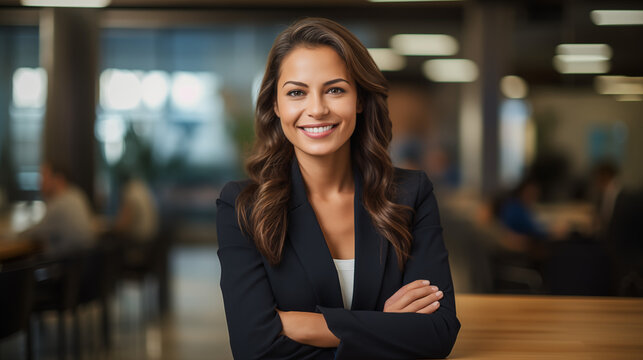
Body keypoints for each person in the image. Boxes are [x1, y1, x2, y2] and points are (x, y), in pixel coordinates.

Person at [216, 18, 459, 359]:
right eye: (296, 92)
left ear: (359, 98)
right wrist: (386, 326)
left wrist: (305, 326)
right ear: (276, 105)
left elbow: (439, 332)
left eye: (335, 89)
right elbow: (253, 346)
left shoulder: (410, 194)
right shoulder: (241, 206)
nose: (316, 109)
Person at [20, 161, 95, 256]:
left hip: (64, 265)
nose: (40, 183)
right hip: (83, 263)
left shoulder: (59, 204)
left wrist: (12, 235)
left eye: (44, 177)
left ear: (58, 179)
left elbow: (34, 233)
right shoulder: (76, 194)